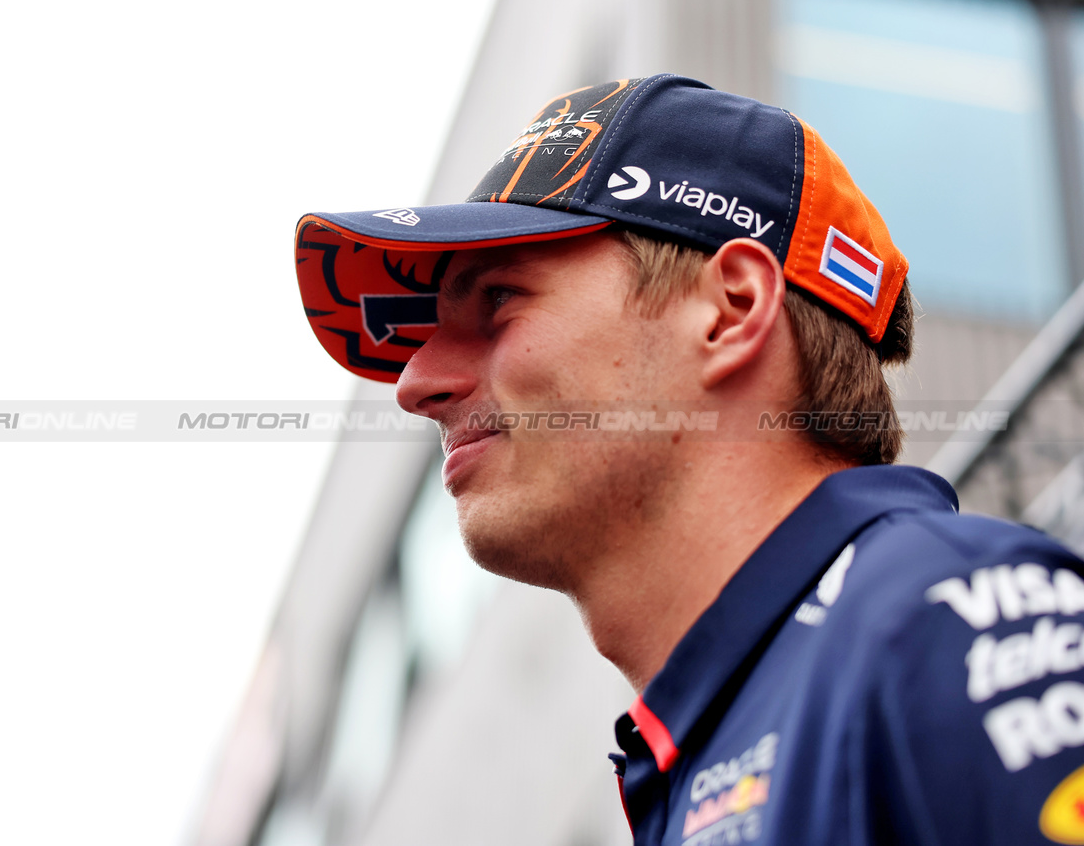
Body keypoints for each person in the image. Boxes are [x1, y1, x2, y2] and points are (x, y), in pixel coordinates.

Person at [293, 74, 1084, 845]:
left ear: (729, 310)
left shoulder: (946, 622)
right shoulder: (712, 741)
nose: (415, 383)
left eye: (497, 298)